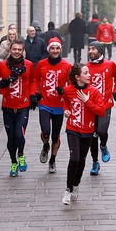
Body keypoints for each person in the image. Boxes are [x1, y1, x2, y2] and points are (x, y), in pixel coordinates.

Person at [0, 39, 37, 177]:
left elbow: (33, 81)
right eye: (14, 49)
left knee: (19, 135)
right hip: (8, 108)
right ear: (10, 50)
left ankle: (21, 155)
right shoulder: (2, 65)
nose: (16, 52)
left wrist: (33, 95)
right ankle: (13, 162)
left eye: (19, 50)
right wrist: (0, 84)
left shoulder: (29, 65)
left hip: (23, 107)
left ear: (23, 51)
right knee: (11, 138)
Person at [62, 63, 106, 205]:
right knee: (74, 158)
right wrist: (66, 111)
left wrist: (87, 101)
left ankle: (76, 185)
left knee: (81, 160)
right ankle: (68, 190)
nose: (89, 75)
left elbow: (101, 111)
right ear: (77, 77)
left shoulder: (93, 92)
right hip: (73, 128)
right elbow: (66, 102)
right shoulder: (68, 90)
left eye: (89, 72)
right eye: (86, 73)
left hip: (88, 130)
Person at [34, 37, 72, 173]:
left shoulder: (67, 66)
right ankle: (45, 147)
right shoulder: (41, 64)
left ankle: (52, 160)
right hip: (44, 103)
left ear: (60, 50)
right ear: (48, 50)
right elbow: (35, 79)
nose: (55, 51)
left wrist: (65, 91)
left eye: (57, 48)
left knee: (55, 136)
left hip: (59, 106)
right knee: (45, 131)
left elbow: (72, 85)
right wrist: (35, 94)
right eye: (52, 48)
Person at [86, 41, 116, 175]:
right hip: (90, 106)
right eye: (89, 49)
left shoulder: (110, 65)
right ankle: (95, 162)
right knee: (92, 135)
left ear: (100, 51)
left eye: (93, 49)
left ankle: (103, 145)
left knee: (102, 130)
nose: (90, 51)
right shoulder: (86, 67)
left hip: (105, 104)